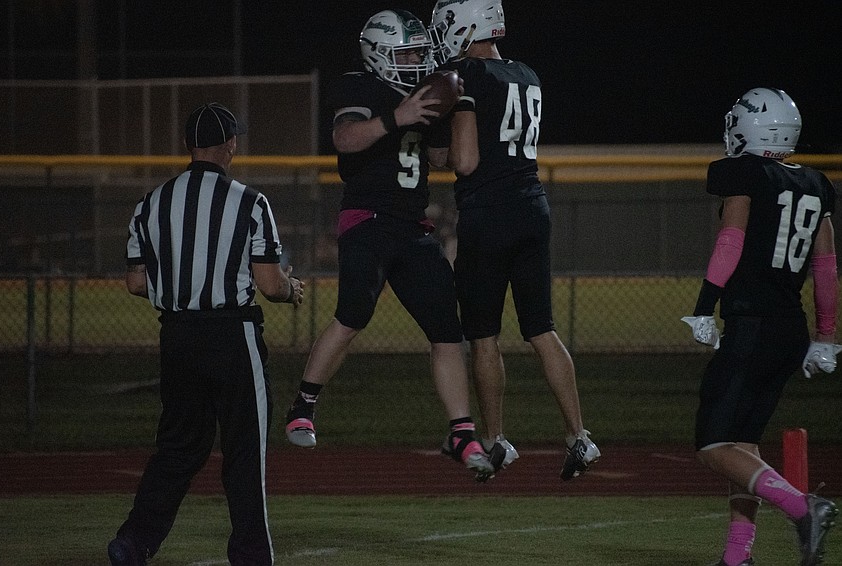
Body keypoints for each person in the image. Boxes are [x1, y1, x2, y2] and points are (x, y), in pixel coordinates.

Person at [282, 9, 498, 481]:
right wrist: (396, 117)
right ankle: (304, 406)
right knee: (353, 313)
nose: (417, 60)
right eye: (408, 53)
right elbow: (345, 137)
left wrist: (460, 108)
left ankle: (461, 431)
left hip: (414, 226)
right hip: (367, 219)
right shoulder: (360, 86)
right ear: (379, 54)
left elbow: (442, 158)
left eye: (420, 52)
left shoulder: (420, 94)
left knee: (447, 330)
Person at [108, 102, 304, 566]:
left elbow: (136, 282)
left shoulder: (150, 203)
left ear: (187, 147)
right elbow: (271, 284)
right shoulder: (250, 202)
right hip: (231, 335)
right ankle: (252, 554)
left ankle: (134, 541)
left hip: (176, 337)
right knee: (243, 449)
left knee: (177, 447)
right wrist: (291, 289)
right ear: (231, 145)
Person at [425, 0, 600, 480]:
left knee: (483, 336)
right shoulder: (527, 73)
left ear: (464, 25)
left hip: (488, 213)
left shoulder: (465, 75)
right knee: (542, 329)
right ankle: (579, 437)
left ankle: (496, 439)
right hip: (532, 206)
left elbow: (462, 161)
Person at [681, 87, 839, 566]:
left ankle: (802, 507)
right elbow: (827, 268)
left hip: (752, 324)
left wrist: (705, 306)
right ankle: (737, 557)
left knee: (712, 444)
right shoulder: (816, 182)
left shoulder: (742, 172)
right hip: (789, 329)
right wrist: (827, 337)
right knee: (743, 445)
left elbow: (731, 240)